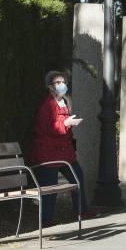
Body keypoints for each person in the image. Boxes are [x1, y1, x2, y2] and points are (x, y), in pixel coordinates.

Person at [32, 70, 91, 227]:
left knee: (78, 178)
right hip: (49, 153)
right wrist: (65, 124)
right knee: (49, 187)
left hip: (65, 151)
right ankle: (46, 220)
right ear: (50, 87)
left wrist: (69, 123)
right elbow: (45, 128)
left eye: (64, 82)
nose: (62, 85)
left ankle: (81, 210)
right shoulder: (47, 105)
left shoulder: (64, 101)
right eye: (58, 83)